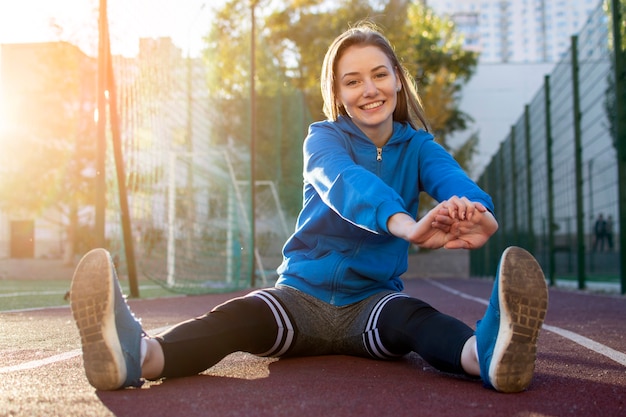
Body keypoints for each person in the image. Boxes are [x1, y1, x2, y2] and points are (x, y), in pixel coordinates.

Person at [70, 23, 548, 394]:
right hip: (300, 298)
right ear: (338, 94)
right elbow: (345, 184)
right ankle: (137, 356)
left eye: (380, 74)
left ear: (398, 80)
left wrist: (479, 213)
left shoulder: (419, 148)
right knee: (235, 319)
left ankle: (487, 356)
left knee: (417, 322)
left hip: (372, 305)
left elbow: (456, 184)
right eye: (353, 81)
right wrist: (406, 225)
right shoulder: (322, 139)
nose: (369, 89)